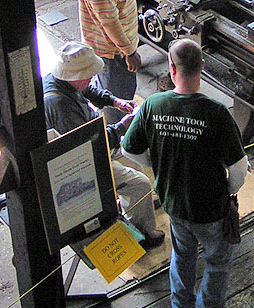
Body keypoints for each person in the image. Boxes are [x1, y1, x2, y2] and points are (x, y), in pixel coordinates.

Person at [122, 39, 248, 308]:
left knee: (182, 254)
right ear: (202, 67)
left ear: (171, 68)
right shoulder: (216, 112)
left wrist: (160, 164)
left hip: (174, 203)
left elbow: (129, 148)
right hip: (211, 210)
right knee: (216, 265)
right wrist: (229, 190)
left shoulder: (153, 104)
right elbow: (238, 168)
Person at [43, 41, 165, 249]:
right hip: (79, 162)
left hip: (93, 138)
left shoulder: (60, 80)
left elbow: (88, 90)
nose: (92, 77)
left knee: (136, 154)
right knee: (140, 183)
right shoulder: (59, 104)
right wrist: (123, 126)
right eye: (88, 74)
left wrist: (115, 101)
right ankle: (143, 232)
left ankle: (138, 205)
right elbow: (90, 146)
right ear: (74, 76)